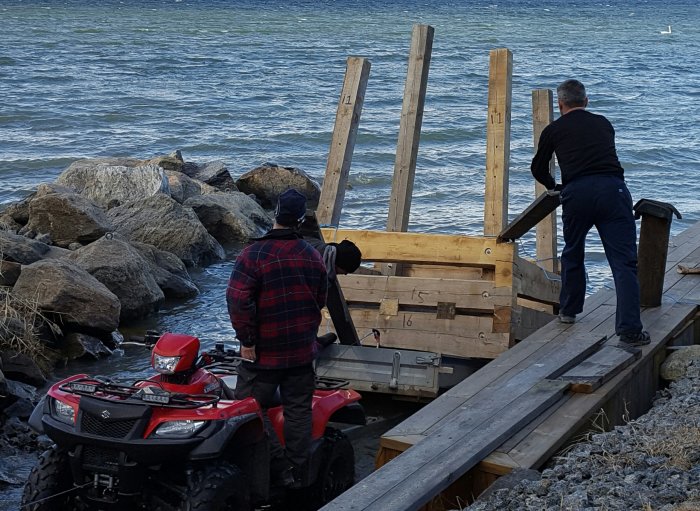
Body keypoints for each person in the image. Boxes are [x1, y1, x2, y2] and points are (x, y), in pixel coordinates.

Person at [530, 79, 650, 347]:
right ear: (586, 101)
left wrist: (555, 187)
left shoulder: (553, 129)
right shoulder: (603, 123)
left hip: (576, 193)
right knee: (624, 262)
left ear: (560, 104)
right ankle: (630, 331)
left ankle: (569, 311)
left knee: (573, 251)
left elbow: (538, 168)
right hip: (612, 191)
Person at [226, 188, 328, 488]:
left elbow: (237, 301)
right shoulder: (313, 256)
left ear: (275, 216)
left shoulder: (252, 254)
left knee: (247, 410)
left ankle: (276, 467)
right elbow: (320, 300)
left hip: (262, 355)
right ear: (300, 220)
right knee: (298, 412)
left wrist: (246, 341)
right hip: (300, 352)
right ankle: (297, 473)